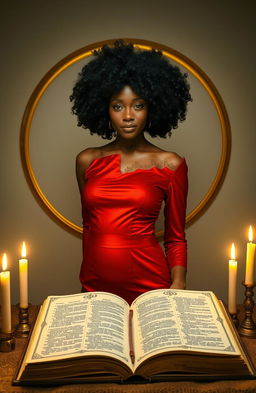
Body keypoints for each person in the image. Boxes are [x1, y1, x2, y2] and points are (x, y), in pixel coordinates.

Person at [70, 41, 192, 305]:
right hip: (94, 287)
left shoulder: (170, 165)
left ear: (152, 109)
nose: (128, 116)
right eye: (118, 106)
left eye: (137, 105)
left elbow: (175, 237)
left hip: (151, 286)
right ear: (105, 109)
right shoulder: (86, 160)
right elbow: (90, 227)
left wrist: (178, 284)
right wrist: (87, 282)